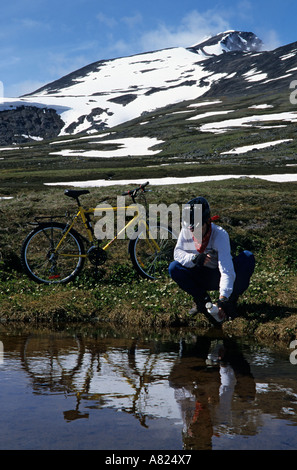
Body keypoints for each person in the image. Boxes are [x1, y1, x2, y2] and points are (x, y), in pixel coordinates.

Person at [168, 196, 255, 322]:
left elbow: (226, 270)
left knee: (247, 257)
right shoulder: (186, 229)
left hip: (218, 274)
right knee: (174, 267)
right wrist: (194, 258)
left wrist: (223, 299)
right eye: (191, 228)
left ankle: (230, 302)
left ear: (207, 221)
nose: (194, 232)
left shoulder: (220, 234)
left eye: (198, 227)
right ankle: (202, 301)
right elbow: (177, 253)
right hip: (201, 275)